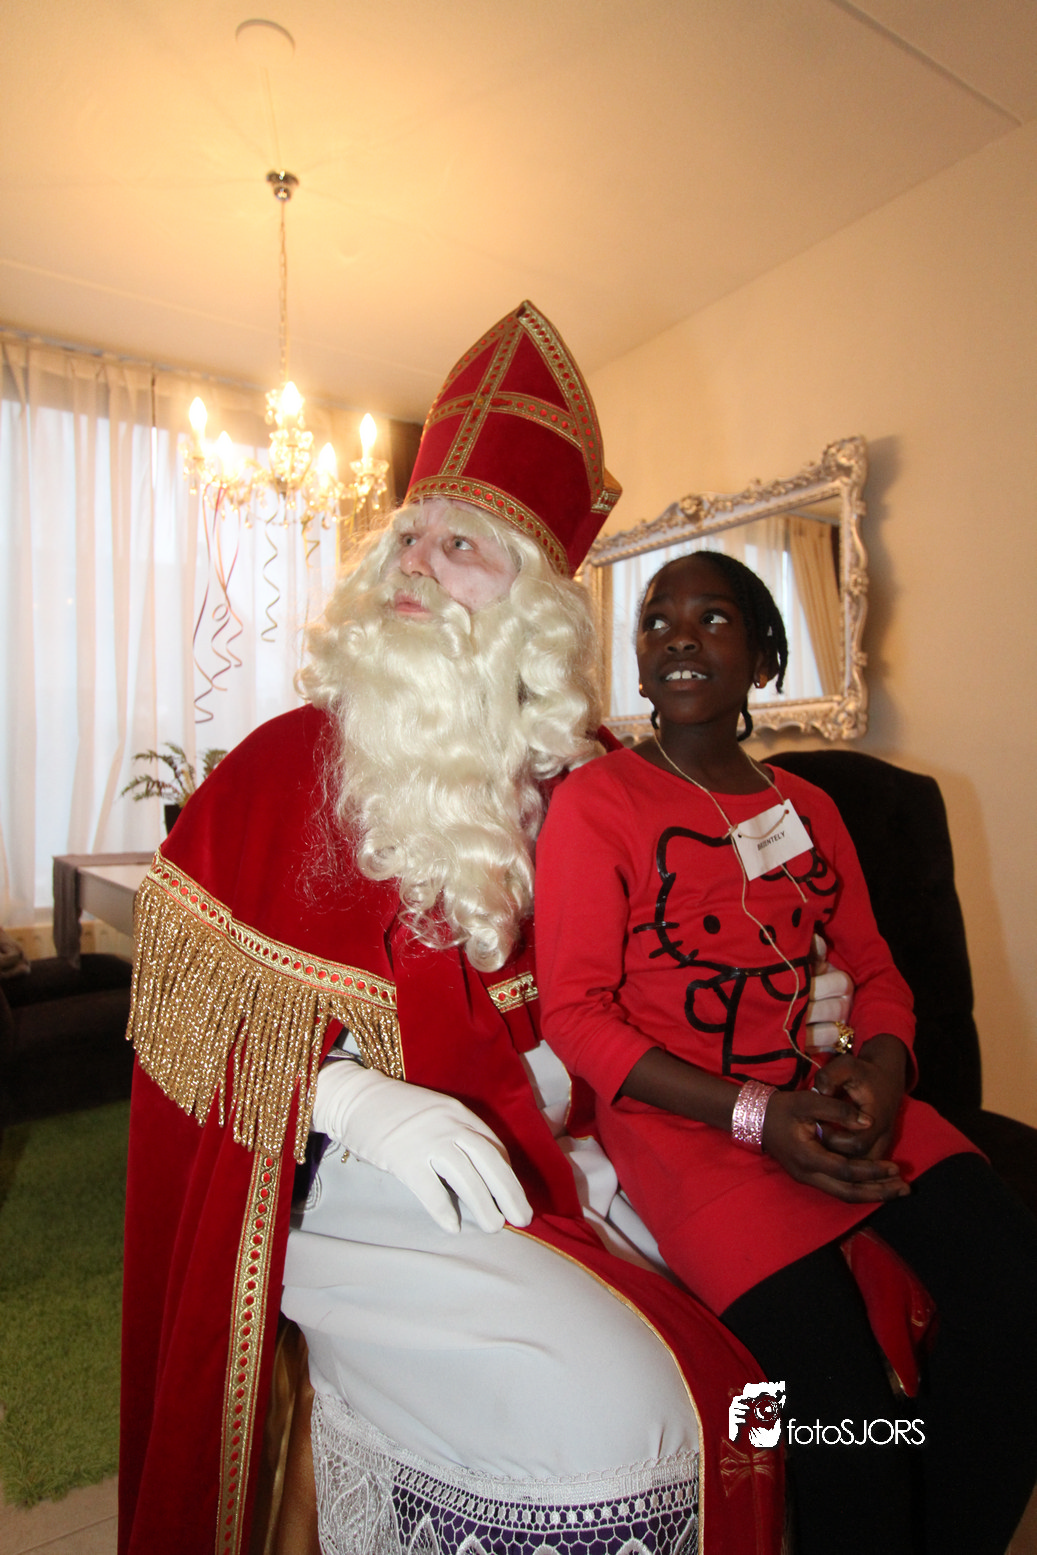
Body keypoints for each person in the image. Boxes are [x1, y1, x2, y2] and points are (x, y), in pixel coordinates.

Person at [118, 307, 786, 1555]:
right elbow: (177, 1004)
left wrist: (789, 1005)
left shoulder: (595, 775)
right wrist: (350, 1099)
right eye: (408, 536)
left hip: (588, 1151)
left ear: (532, 605)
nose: (413, 566)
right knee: (613, 1416)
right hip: (366, 1189)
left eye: (459, 544)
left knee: (784, 1340)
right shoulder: (284, 765)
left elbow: (681, 967)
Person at [536, 548, 1037, 1555]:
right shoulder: (598, 802)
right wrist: (755, 1116)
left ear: (763, 656)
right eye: (656, 621)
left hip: (835, 1101)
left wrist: (881, 1070)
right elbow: (575, 1016)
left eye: (712, 617)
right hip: (690, 1130)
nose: (678, 636)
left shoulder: (809, 809)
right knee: (840, 1422)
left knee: (1016, 1299)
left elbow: (877, 971)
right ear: (638, 662)